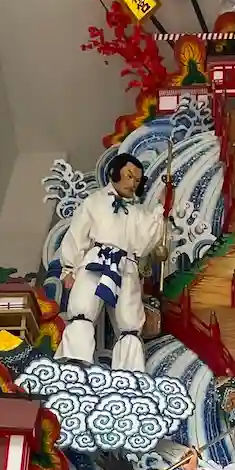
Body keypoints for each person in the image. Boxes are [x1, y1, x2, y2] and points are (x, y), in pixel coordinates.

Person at [56, 152, 167, 372]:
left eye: (137, 180)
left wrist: (160, 209)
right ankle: (74, 363)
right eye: (129, 176)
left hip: (126, 265)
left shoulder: (136, 212)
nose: (132, 183)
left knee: (129, 319)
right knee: (83, 309)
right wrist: (69, 267)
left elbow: (145, 243)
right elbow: (77, 234)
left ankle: (130, 372)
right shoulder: (94, 201)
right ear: (115, 173)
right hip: (96, 260)